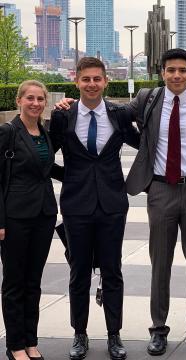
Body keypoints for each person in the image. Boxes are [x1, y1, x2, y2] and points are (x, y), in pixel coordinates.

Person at [125, 48, 186, 355]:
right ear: (162, 73)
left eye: (183, 70)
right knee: (161, 263)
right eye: (171, 70)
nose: (177, 75)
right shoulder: (149, 99)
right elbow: (115, 117)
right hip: (160, 190)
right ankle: (158, 328)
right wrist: (71, 107)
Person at [49, 57, 140, 360]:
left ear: (105, 82)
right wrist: (73, 176)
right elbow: (44, 155)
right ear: (76, 81)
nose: (91, 84)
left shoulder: (119, 114)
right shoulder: (63, 116)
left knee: (112, 271)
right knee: (79, 273)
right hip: (76, 205)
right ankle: (80, 333)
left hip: (113, 204)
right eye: (85, 79)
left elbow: (147, 144)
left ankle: (114, 335)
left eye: (96, 79)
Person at [0, 81, 57, 360]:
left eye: (40, 99)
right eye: (30, 98)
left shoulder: (43, 132)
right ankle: (15, 345)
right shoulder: (8, 132)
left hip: (44, 215)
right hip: (14, 217)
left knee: (33, 281)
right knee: (14, 282)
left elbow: (46, 169)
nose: (35, 103)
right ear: (19, 100)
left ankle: (31, 341)